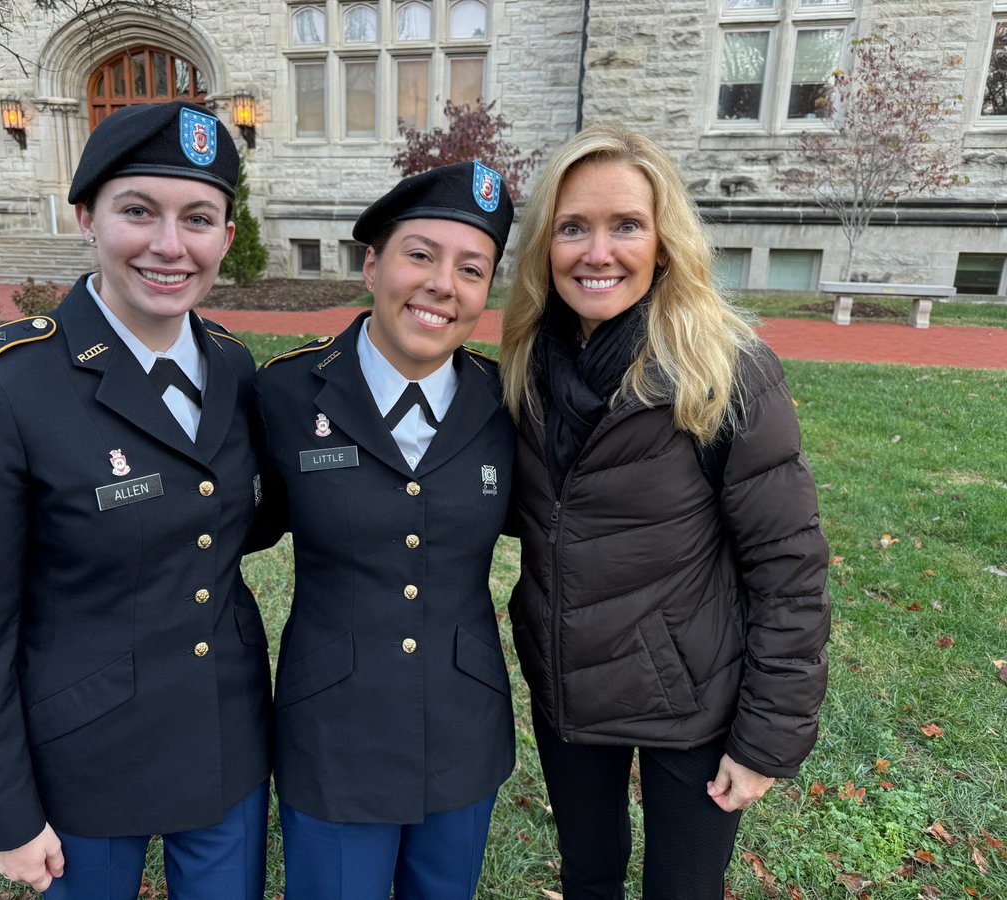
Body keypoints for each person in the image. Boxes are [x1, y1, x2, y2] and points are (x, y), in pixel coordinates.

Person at [0, 102, 274, 899]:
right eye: (138, 211)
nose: (168, 245)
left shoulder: (233, 367)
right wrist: (0, 810)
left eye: (199, 217)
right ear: (87, 217)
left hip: (226, 737)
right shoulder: (2, 384)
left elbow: (234, 525)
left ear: (224, 235)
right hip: (82, 756)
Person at [499, 122, 830, 899]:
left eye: (626, 226)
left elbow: (790, 570)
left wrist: (766, 741)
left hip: (694, 699)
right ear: (547, 245)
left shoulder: (726, 370)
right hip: (569, 691)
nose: (597, 251)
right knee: (589, 877)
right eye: (573, 227)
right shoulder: (526, 370)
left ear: (664, 241)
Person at [255, 161, 516, 900]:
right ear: (373, 264)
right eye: (421, 255)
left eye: (472, 268)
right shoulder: (281, 393)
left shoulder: (506, 404)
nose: (443, 284)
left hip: (464, 727)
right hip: (333, 732)